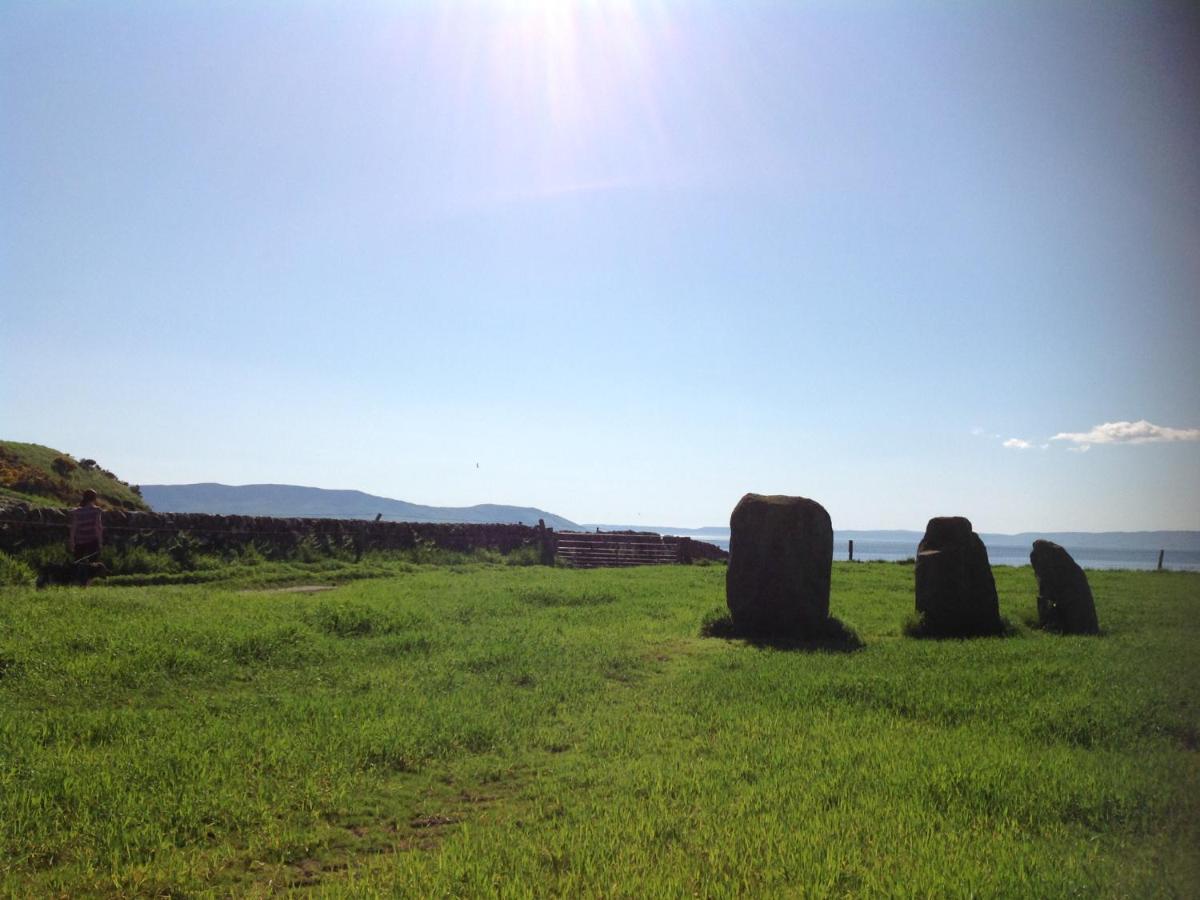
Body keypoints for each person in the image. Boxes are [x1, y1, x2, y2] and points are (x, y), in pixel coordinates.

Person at [69, 489, 104, 585]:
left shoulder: (77, 511)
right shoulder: (96, 510)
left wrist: (72, 541)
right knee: (93, 565)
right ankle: (87, 584)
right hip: (92, 541)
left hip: (79, 541)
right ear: (94, 499)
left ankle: (76, 582)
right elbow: (98, 527)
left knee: (78, 563)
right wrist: (100, 542)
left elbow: (73, 527)